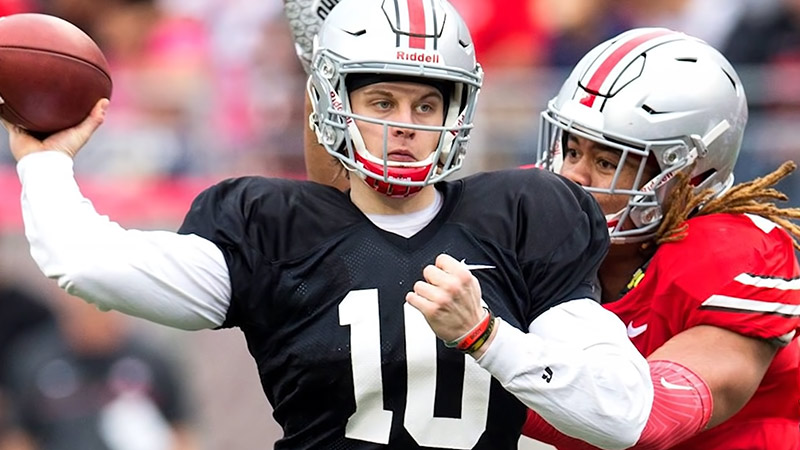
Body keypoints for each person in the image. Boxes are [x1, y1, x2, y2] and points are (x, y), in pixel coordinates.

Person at [4, 1, 656, 448]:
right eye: (382, 100)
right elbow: (87, 263)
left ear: (458, 109)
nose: (405, 122)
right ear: (332, 101)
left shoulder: (522, 217)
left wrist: (487, 337)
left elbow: (621, 415)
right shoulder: (275, 228)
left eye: (426, 102)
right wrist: (45, 164)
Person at [523, 27, 800, 449]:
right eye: (572, 150)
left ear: (688, 176)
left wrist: (480, 353)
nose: (571, 178)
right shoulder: (521, 209)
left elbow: (642, 419)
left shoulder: (732, 256)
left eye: (605, 161)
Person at [2, 289, 198, 450]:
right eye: (84, 308)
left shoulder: (150, 358)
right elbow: (19, 435)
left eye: (101, 308)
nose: (93, 315)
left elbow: (180, 428)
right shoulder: (35, 361)